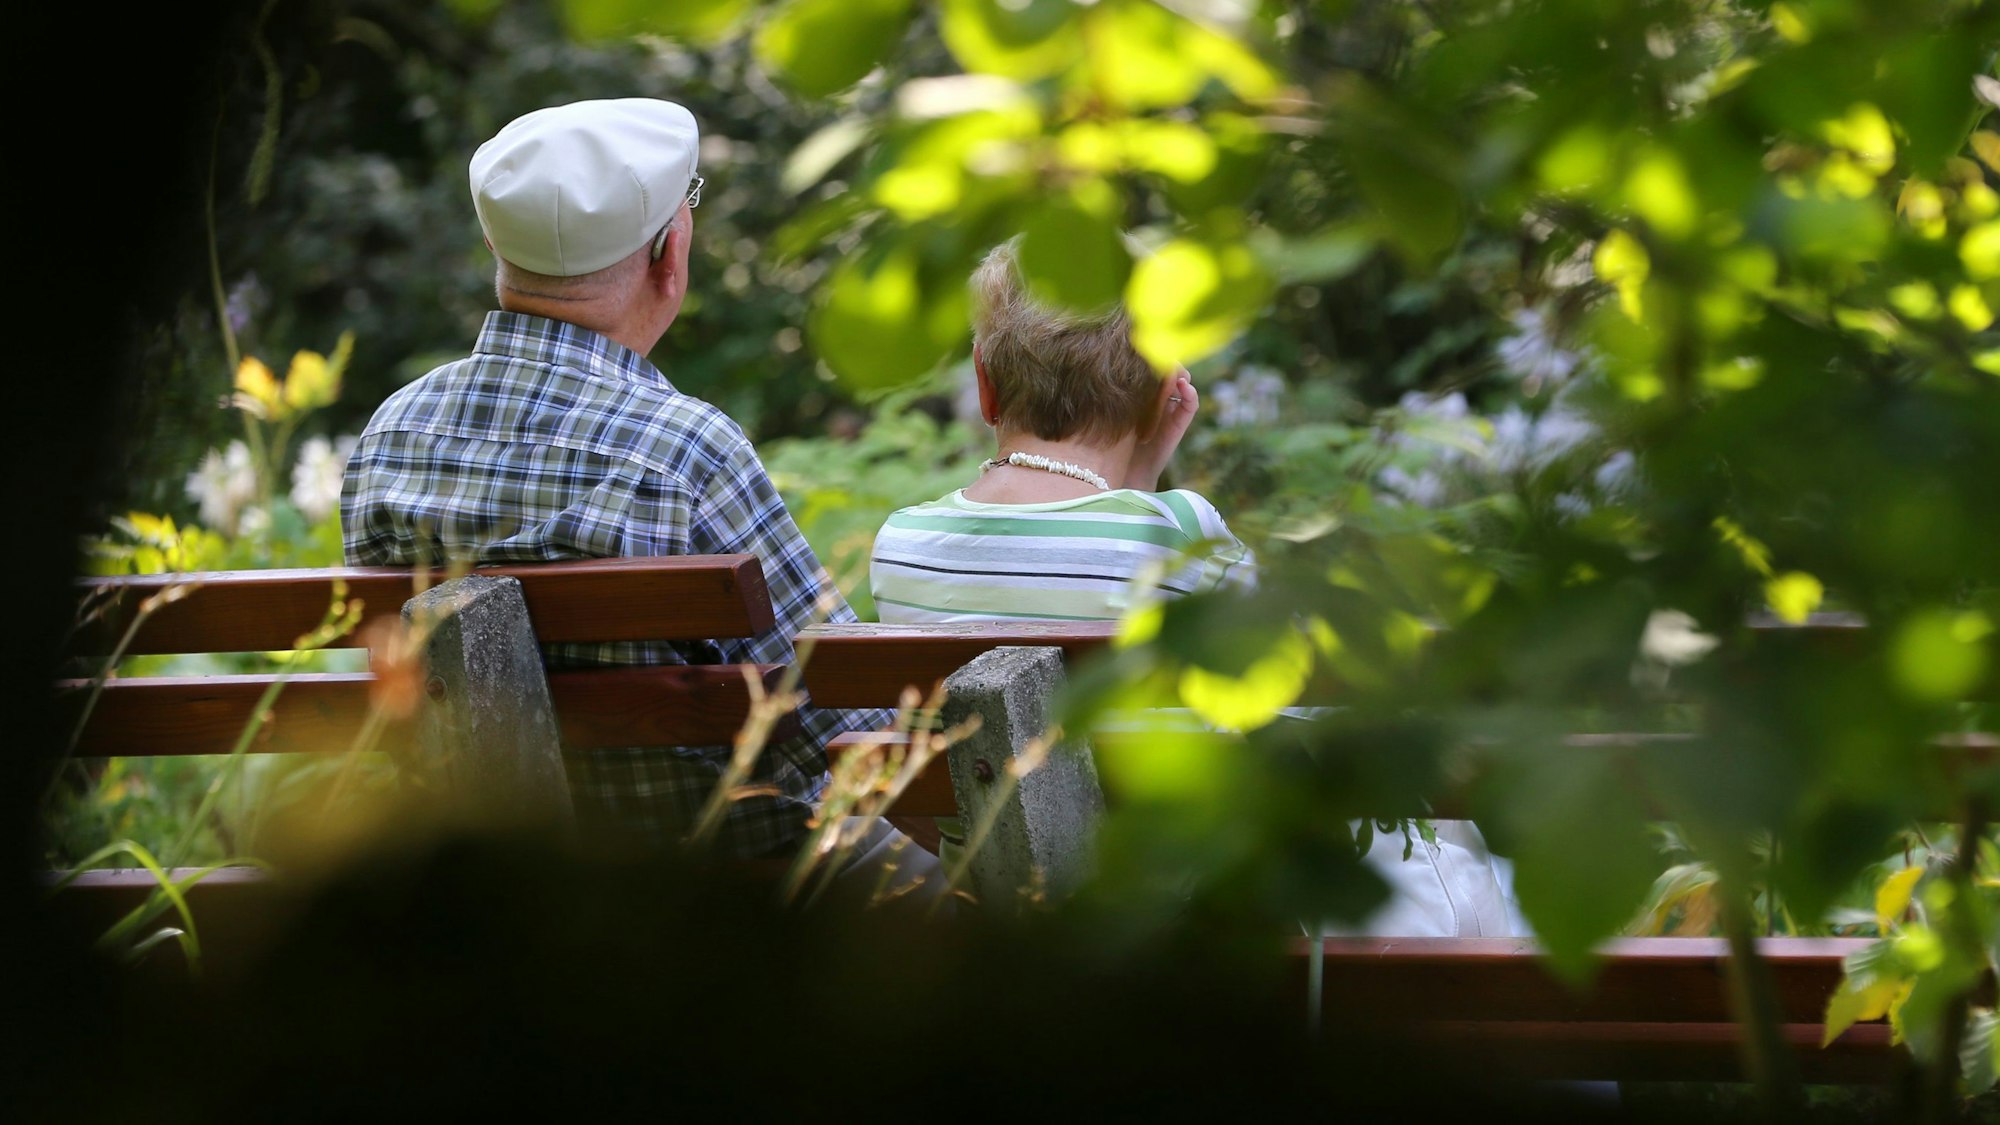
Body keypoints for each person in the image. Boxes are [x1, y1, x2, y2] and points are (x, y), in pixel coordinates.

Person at [340, 98, 940, 907]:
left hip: (481, 894)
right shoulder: (685, 451)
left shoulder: (391, 434)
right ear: (670, 251)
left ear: (496, 245)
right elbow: (845, 731)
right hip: (715, 897)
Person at [870, 238, 1520, 938]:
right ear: (1158, 396)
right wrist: (1147, 477)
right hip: (1174, 919)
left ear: (986, 384)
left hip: (998, 913)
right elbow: (1275, 719)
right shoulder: (1181, 533)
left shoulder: (903, 542)